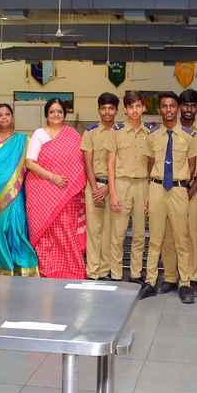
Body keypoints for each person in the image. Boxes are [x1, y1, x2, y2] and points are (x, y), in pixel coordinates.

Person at [139, 92, 197, 303]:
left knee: (181, 239)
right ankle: (150, 281)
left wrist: (181, 183)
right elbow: (150, 163)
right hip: (157, 188)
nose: (168, 110)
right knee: (155, 238)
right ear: (160, 109)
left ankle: (185, 283)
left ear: (177, 108)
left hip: (178, 190)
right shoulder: (152, 136)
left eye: (172, 106)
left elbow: (192, 166)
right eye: (164, 106)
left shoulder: (189, 136)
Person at [25, 98, 87, 279]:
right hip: (41, 191)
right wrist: (53, 177)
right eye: (52, 111)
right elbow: (29, 163)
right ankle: (47, 267)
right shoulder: (39, 134)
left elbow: (80, 164)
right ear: (46, 114)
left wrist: (68, 183)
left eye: (59, 111)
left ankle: (69, 269)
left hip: (67, 192)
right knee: (45, 232)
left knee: (66, 230)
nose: (56, 114)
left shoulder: (72, 135)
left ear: (64, 114)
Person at [0, 104, 39, 276]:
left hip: (16, 193)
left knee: (16, 227)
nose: (4, 117)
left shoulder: (23, 141)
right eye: (0, 115)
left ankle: (21, 266)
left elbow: (32, 165)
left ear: (12, 117)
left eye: (7, 114)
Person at [159, 89, 197, 296]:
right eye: (185, 105)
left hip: (192, 190)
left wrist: (190, 190)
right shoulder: (169, 129)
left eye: (193, 105)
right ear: (179, 108)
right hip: (170, 190)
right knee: (168, 234)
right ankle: (170, 277)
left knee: (191, 235)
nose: (189, 109)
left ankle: (191, 278)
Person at [107, 91, 151, 283]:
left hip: (142, 185)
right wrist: (113, 193)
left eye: (138, 106)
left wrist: (149, 194)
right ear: (125, 110)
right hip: (122, 184)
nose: (135, 110)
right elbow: (110, 164)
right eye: (131, 106)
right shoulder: (116, 132)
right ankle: (116, 274)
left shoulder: (149, 133)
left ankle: (135, 273)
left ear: (144, 108)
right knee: (118, 234)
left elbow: (151, 165)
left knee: (140, 234)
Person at [81, 93, 118, 280]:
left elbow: (122, 163)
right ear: (98, 110)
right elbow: (87, 163)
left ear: (116, 111)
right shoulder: (90, 132)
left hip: (115, 187)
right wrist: (95, 188)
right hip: (93, 185)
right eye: (103, 108)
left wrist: (108, 188)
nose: (107, 112)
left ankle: (105, 270)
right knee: (94, 230)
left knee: (110, 230)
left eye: (111, 108)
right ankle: (93, 271)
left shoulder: (120, 132)